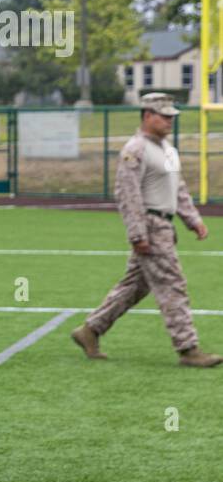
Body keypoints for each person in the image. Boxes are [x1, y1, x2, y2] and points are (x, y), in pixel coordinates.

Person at [72, 93, 222, 367]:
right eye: (164, 116)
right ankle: (188, 349)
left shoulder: (167, 150)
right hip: (151, 227)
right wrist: (137, 234)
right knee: (172, 285)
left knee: (134, 287)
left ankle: (90, 330)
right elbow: (128, 194)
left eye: (171, 116)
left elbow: (177, 189)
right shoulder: (136, 149)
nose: (169, 121)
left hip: (164, 226)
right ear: (147, 116)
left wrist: (193, 220)